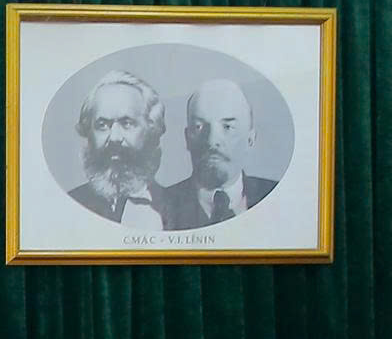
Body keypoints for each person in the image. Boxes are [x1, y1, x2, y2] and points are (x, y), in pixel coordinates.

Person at [64, 71, 178, 231]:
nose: (114, 138)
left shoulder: (178, 209)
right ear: (88, 131)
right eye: (102, 125)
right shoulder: (68, 205)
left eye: (127, 123)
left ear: (151, 130)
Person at [162, 78, 279, 228]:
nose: (212, 140)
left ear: (250, 139)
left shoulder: (277, 197)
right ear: (187, 138)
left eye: (227, 127)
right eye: (199, 127)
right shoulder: (158, 207)